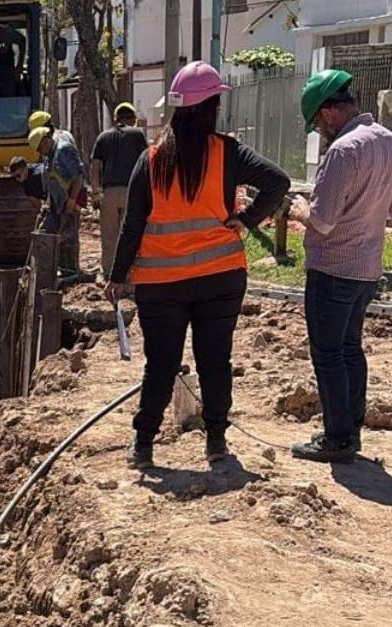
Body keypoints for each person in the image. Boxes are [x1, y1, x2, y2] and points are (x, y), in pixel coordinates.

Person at [106, 61, 290, 469]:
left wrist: (117, 277)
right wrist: (246, 220)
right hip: (220, 278)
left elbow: (133, 223)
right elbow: (278, 182)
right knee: (214, 360)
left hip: (162, 283)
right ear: (211, 107)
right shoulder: (228, 152)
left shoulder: (152, 159)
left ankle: (144, 444)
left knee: (162, 364)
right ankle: (216, 442)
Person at [287, 70, 392, 462]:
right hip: (367, 268)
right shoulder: (391, 143)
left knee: (328, 354)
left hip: (332, 267)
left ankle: (337, 439)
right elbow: (391, 212)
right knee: (350, 349)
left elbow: (322, 221)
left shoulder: (342, 151)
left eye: (317, 123)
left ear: (328, 112)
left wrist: (301, 209)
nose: (319, 131)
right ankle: (350, 430)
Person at [91, 102, 149, 278]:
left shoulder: (103, 136)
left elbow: (94, 166)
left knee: (109, 238)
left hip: (108, 194)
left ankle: (110, 274)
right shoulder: (138, 134)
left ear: (116, 118)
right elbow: (147, 162)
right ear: (133, 118)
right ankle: (131, 274)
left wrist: (95, 193)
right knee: (132, 235)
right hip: (132, 194)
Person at [28, 125, 85, 273]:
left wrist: (72, 200)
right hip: (57, 202)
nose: (40, 153)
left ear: (46, 141)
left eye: (40, 149)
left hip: (70, 200)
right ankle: (59, 269)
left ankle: (71, 271)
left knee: (68, 237)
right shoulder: (50, 155)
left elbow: (78, 175)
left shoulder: (63, 150)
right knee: (54, 235)